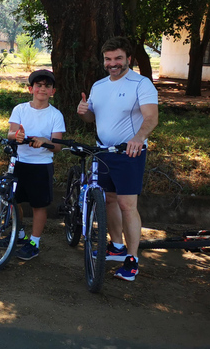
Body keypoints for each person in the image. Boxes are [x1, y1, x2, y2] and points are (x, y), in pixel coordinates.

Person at [78, 36, 158, 281]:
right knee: (109, 201)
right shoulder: (99, 86)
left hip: (129, 153)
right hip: (103, 152)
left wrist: (138, 138)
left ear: (128, 59)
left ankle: (132, 260)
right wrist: (85, 112)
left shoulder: (141, 84)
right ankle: (116, 247)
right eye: (108, 59)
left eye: (118, 58)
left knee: (127, 205)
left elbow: (151, 118)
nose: (113, 63)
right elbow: (92, 119)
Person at [7, 69, 65, 261]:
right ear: (30, 89)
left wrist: (44, 140)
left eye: (47, 86)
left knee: (39, 205)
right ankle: (19, 232)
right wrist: (17, 136)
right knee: (14, 201)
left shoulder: (55, 115)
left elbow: (57, 146)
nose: (43, 89)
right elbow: (11, 133)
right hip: (19, 163)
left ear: (53, 91)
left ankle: (34, 242)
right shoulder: (20, 109)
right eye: (38, 85)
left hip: (41, 165)